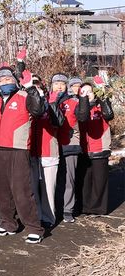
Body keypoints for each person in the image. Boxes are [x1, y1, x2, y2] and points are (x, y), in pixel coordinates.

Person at [0, 68, 46, 244]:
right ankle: (8, 223)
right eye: (1, 81)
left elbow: (39, 110)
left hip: (18, 148)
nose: (4, 83)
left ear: (15, 81)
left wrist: (31, 88)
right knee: (1, 190)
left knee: (22, 190)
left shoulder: (25, 96)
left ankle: (34, 228)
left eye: (8, 79)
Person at [29, 75, 65, 229]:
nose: (35, 87)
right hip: (32, 152)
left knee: (48, 189)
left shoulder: (52, 100)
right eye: (32, 85)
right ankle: (36, 216)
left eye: (37, 84)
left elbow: (59, 122)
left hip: (49, 151)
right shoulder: (29, 102)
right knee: (33, 188)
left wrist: (51, 103)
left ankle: (48, 217)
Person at [79, 82, 114, 216]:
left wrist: (103, 94)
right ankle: (86, 206)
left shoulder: (101, 105)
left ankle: (98, 208)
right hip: (84, 148)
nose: (87, 94)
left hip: (100, 147)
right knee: (86, 180)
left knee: (100, 181)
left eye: (89, 91)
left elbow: (109, 115)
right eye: (84, 92)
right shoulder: (80, 106)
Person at [58, 77, 88, 223]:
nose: (59, 87)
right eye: (55, 83)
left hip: (70, 145)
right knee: (55, 181)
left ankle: (67, 209)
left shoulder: (75, 103)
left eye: (62, 84)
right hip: (52, 146)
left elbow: (83, 116)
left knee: (69, 179)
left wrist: (84, 99)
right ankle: (55, 208)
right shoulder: (51, 100)